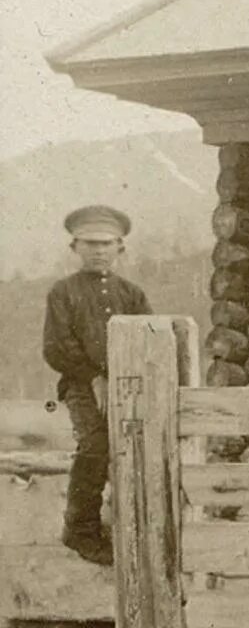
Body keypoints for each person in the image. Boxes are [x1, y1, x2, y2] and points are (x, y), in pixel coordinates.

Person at [42, 205, 148, 566]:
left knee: (139, 445)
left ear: (120, 248)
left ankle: (136, 529)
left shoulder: (132, 294)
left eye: (105, 244)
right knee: (95, 445)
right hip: (80, 386)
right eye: (90, 243)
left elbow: (150, 338)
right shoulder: (62, 292)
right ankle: (81, 530)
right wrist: (92, 377)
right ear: (75, 247)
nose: (98, 250)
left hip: (130, 385)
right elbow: (56, 347)